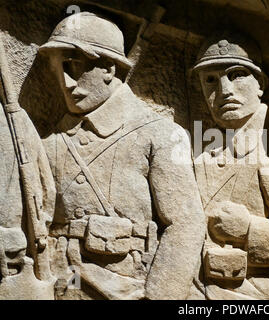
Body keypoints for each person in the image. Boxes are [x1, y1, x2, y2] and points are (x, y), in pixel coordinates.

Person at [38, 12, 205, 300]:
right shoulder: (51, 140)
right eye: (58, 69)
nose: (65, 82)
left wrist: (159, 297)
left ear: (109, 69)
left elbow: (186, 225)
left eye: (74, 66)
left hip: (128, 287)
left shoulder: (161, 133)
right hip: (63, 286)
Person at [191, 32, 269, 299]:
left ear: (261, 84)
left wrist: (249, 230)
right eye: (210, 80)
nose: (224, 91)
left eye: (237, 75)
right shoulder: (204, 152)